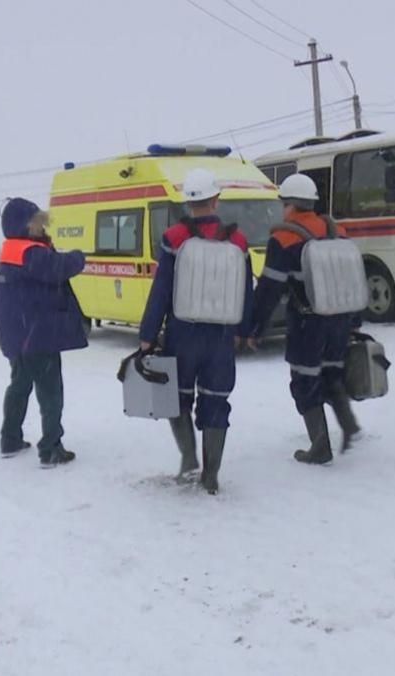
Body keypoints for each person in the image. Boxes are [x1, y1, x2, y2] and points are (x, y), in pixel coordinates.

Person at [139, 169, 254, 495]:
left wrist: (148, 333)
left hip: (182, 333)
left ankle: (189, 459)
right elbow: (248, 289)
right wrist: (245, 331)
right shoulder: (238, 241)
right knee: (216, 400)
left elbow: (161, 290)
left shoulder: (175, 238)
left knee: (177, 398)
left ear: (188, 203)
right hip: (221, 336)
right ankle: (211, 474)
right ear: (216, 200)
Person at [249, 173, 361, 466]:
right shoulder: (339, 232)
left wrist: (253, 328)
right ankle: (348, 424)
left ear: (290, 205)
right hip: (340, 319)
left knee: (304, 381)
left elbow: (268, 290)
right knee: (332, 373)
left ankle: (320, 446)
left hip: (307, 323)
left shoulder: (284, 239)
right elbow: (352, 277)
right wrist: (355, 320)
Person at [0, 197, 89, 468]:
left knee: (19, 386)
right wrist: (79, 257)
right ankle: (51, 448)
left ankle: (10, 439)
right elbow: (59, 268)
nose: (41, 226)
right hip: (37, 335)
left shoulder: (12, 251)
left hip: (19, 334)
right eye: (37, 222)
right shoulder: (30, 252)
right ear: (23, 224)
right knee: (50, 392)